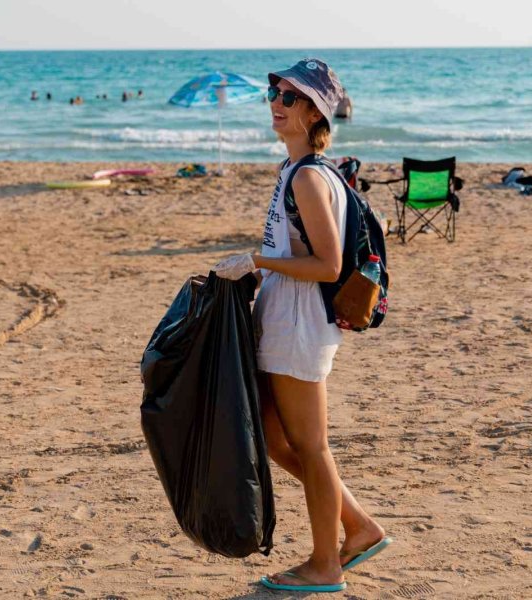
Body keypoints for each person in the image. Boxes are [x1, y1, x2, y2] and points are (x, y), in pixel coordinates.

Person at [212, 59, 390, 594]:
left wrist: (258, 262)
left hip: (299, 321)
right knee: (271, 436)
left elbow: (329, 266)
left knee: (311, 447)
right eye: (274, 91)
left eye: (290, 96)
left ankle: (325, 564)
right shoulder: (294, 171)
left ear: (314, 111)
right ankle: (357, 526)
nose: (276, 101)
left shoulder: (311, 176)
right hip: (283, 317)